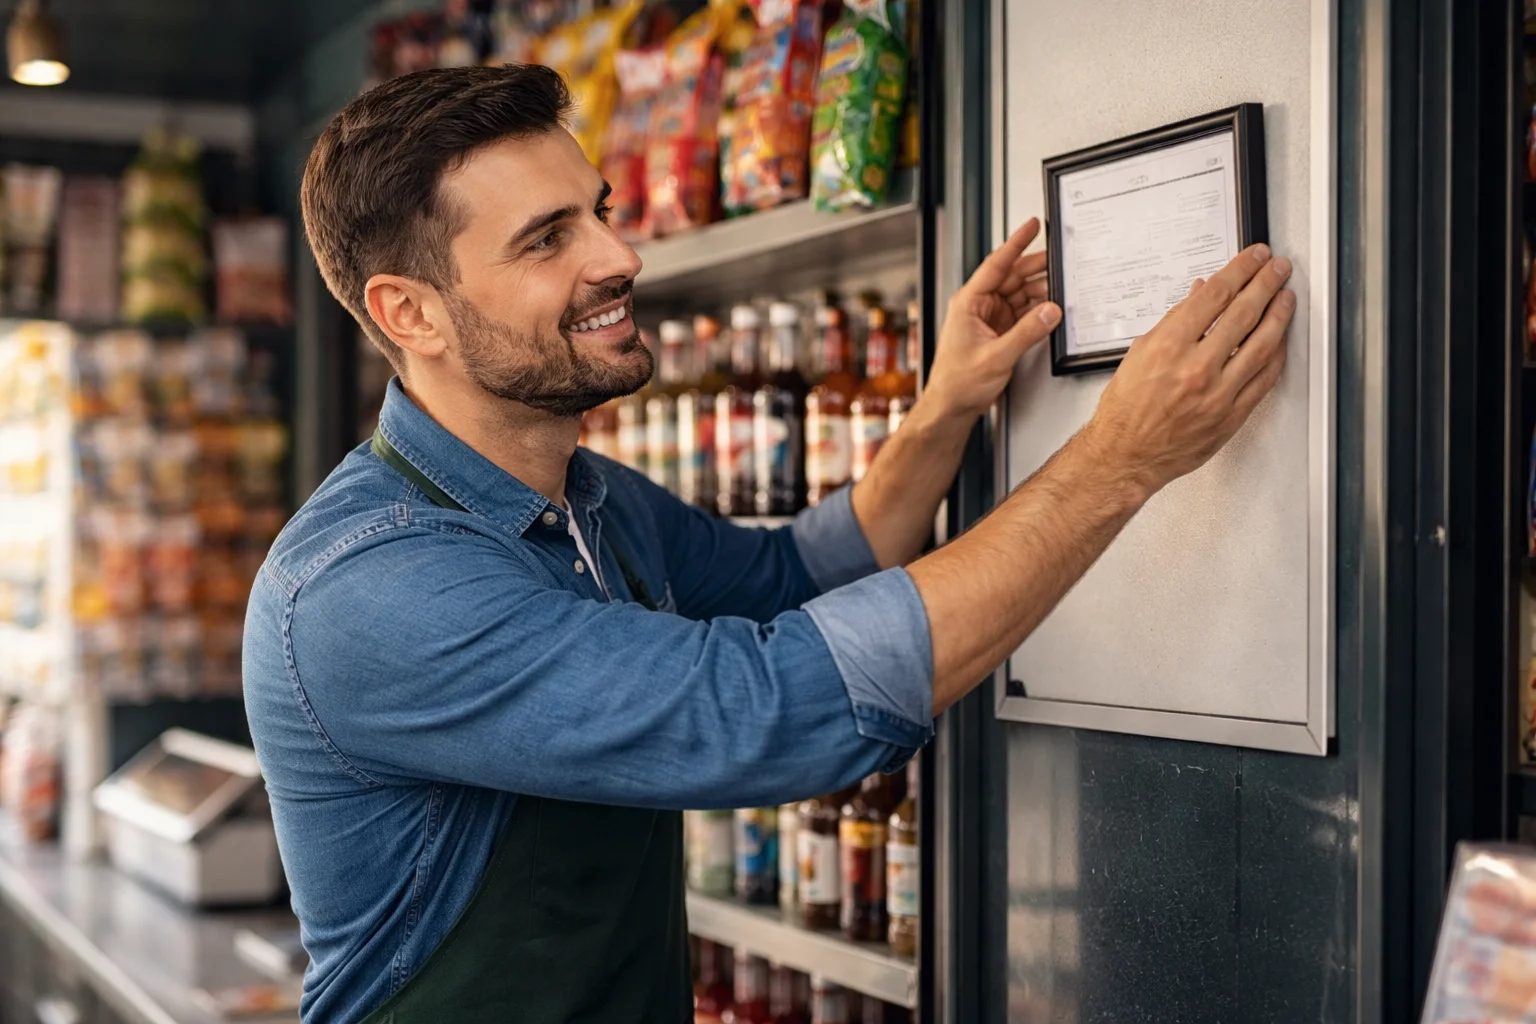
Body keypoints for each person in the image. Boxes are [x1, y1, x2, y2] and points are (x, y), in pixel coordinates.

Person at [244, 64, 1294, 1023]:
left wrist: (948, 404)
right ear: (409, 313)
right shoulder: (370, 587)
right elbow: (763, 707)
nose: (622, 255)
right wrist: (1117, 459)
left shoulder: (593, 503)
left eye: (600, 213)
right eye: (548, 237)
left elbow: (795, 574)